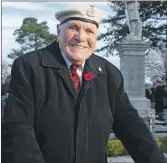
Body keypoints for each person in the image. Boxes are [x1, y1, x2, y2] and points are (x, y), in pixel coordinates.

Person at [2, 5, 166, 163]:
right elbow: (19, 130)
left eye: (89, 31)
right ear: (59, 32)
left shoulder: (109, 75)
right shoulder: (29, 67)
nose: (81, 37)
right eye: (73, 28)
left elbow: (133, 129)